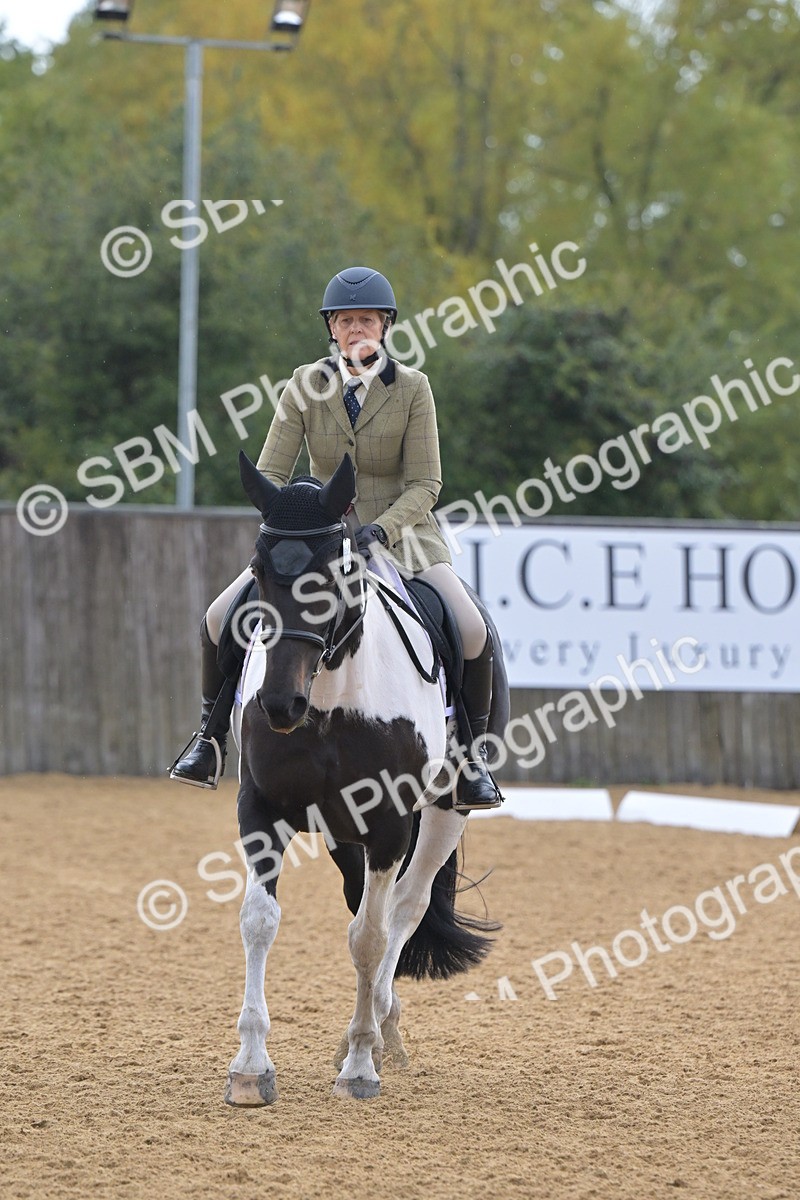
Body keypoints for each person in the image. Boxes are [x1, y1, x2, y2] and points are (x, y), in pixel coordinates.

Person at [170, 266, 502, 811]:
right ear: (332, 328)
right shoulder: (304, 385)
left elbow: (427, 483)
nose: (356, 330)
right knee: (216, 617)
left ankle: (470, 758)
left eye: (366, 320)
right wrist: (293, 519)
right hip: (319, 540)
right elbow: (272, 473)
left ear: (386, 326)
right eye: (346, 321)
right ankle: (209, 738)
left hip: (405, 536)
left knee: (468, 628)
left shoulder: (413, 388)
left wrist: (383, 528)